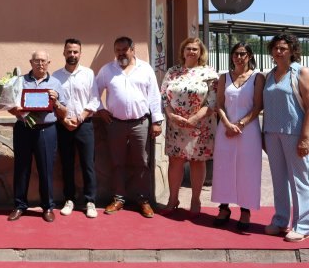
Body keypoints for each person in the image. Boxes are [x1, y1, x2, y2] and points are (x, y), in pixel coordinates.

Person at [96, 36, 163, 218]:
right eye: (117, 50)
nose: (121, 53)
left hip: (140, 123)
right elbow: (94, 90)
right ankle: (118, 198)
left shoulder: (145, 69)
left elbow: (154, 96)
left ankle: (143, 200)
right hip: (115, 124)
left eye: (124, 49)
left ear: (133, 50)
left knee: (142, 162)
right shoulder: (107, 70)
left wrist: (156, 121)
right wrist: (101, 109)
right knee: (117, 163)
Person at [160, 37, 218, 216]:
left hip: (200, 125)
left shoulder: (208, 72)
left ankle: (195, 199)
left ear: (201, 52)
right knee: (175, 161)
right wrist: (170, 115)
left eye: (195, 49)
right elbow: (163, 95)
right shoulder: (173, 71)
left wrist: (195, 118)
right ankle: (173, 198)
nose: (191, 52)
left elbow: (213, 100)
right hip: (176, 125)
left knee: (197, 161)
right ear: (183, 51)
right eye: (188, 49)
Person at [7, 50, 65, 223]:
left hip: (47, 130)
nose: (40, 64)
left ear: (49, 62)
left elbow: (64, 111)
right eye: (37, 61)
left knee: (46, 169)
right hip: (24, 129)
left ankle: (47, 207)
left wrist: (57, 103)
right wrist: (16, 110)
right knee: (21, 168)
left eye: (43, 61)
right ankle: (19, 205)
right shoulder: (20, 81)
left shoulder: (56, 83)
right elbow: (9, 105)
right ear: (30, 62)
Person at [211, 42, 264, 230]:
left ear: (249, 55)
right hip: (225, 129)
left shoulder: (257, 78)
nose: (238, 57)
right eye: (235, 54)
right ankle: (224, 208)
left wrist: (240, 124)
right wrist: (227, 124)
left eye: (242, 53)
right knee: (224, 167)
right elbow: (219, 104)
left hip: (248, 130)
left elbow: (258, 106)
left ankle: (245, 210)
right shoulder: (224, 77)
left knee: (247, 169)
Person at [262, 34, 309, 242]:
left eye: (283, 48)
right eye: (275, 48)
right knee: (279, 180)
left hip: (295, 133)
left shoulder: (301, 72)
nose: (278, 51)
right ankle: (281, 220)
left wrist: (305, 137)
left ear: (292, 50)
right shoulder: (269, 75)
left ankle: (303, 225)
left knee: (300, 180)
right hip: (272, 133)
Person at [52, 38, 100, 218]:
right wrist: (64, 121)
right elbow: (53, 103)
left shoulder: (88, 74)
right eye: (69, 51)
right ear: (64, 53)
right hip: (63, 126)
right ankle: (69, 199)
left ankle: (90, 201)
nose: (72, 55)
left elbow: (95, 99)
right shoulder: (55, 76)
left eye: (75, 52)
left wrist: (80, 118)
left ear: (80, 53)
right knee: (67, 164)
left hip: (84, 125)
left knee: (88, 165)